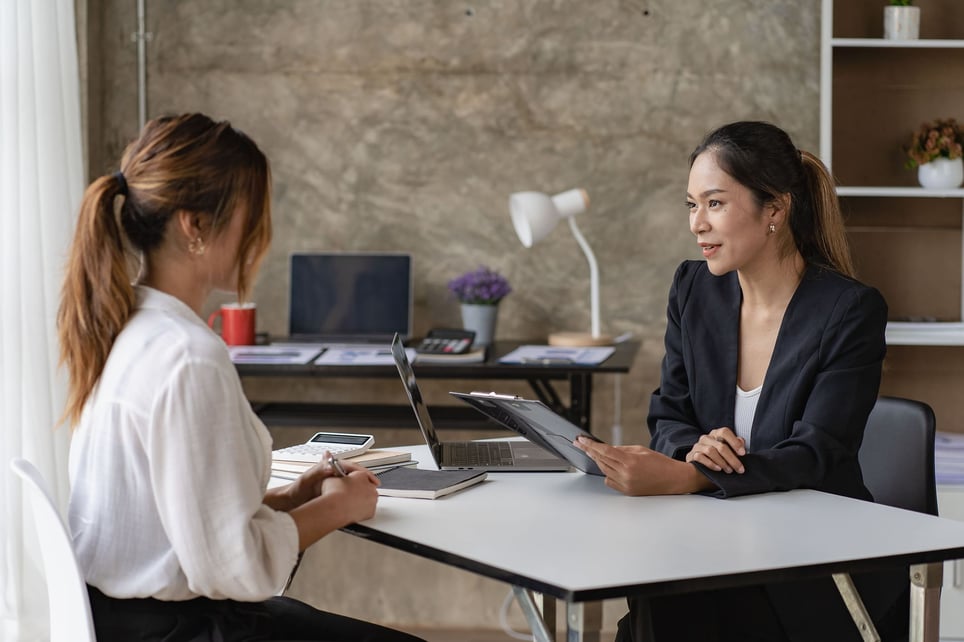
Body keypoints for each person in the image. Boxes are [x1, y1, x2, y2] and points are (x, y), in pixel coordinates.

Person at [58, 113, 425, 642]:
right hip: (183, 628)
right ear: (196, 226)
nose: (261, 236)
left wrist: (292, 498)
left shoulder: (128, 328)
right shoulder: (188, 357)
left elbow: (182, 526)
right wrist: (340, 506)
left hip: (123, 620)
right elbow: (233, 567)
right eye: (251, 216)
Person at [575, 121, 907, 642]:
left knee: (672, 612)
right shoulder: (693, 290)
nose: (696, 224)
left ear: (774, 209)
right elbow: (669, 415)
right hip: (713, 543)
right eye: (691, 205)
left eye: (714, 203)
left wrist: (697, 477)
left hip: (816, 561)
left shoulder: (849, 310)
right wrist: (696, 449)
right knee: (655, 599)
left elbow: (819, 452)